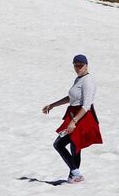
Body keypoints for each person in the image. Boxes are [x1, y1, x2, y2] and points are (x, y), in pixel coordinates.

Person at [41, 53, 101, 183]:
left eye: (81, 65)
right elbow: (71, 98)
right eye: (76, 65)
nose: (78, 67)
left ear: (86, 65)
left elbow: (86, 105)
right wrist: (52, 105)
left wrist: (74, 122)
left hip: (82, 118)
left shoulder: (88, 81)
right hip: (75, 115)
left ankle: (76, 174)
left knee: (60, 144)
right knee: (74, 147)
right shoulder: (79, 79)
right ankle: (73, 176)